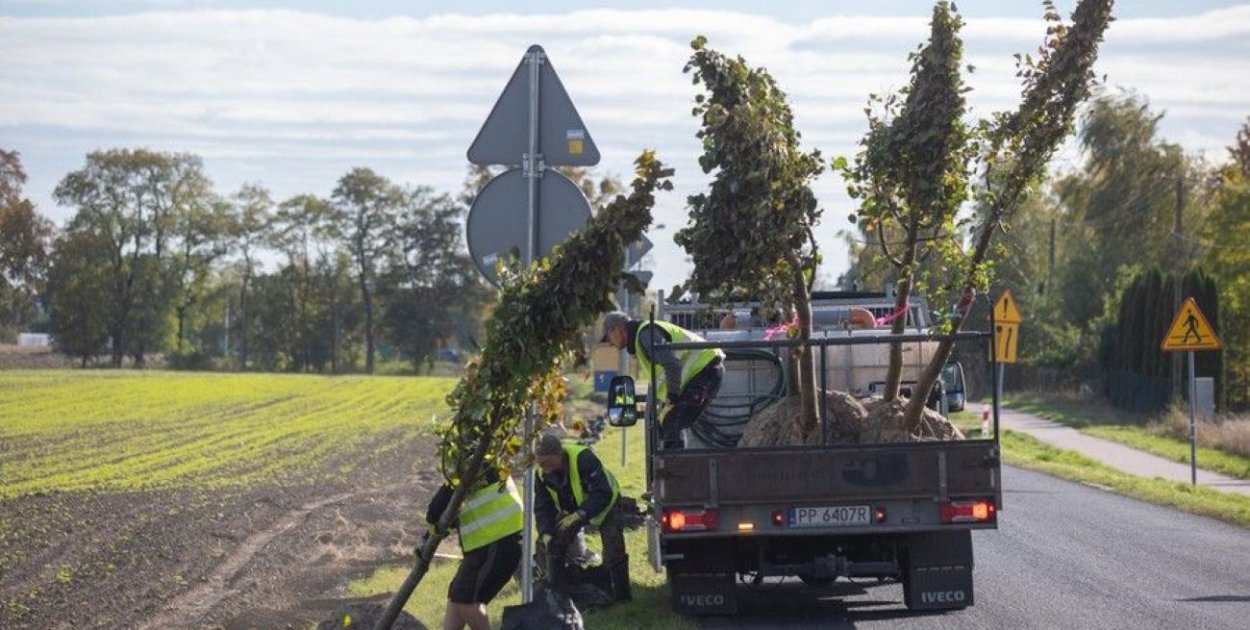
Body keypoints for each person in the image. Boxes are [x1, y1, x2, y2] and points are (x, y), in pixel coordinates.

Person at [600, 310, 725, 449]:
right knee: (665, 426)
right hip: (703, 372)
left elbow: (672, 365)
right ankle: (673, 463)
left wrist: (672, 397)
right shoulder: (641, 338)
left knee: (671, 423)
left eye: (609, 337)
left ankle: (673, 466)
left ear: (618, 329)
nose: (610, 343)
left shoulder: (645, 335)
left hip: (706, 370)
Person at [534, 434, 631, 602]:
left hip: (606, 505)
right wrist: (546, 532)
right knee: (548, 544)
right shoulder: (541, 474)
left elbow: (603, 493)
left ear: (557, 455)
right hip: (572, 511)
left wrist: (580, 514)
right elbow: (543, 508)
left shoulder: (583, 458)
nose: (542, 466)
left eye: (545, 461)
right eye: (540, 462)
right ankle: (557, 592)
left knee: (613, 548)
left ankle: (620, 595)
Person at [426, 471, 523, 630]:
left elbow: (435, 511)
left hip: (497, 539)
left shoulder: (473, 465)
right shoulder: (488, 461)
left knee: (466, 601)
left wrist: (430, 528)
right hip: (486, 543)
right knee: (456, 597)